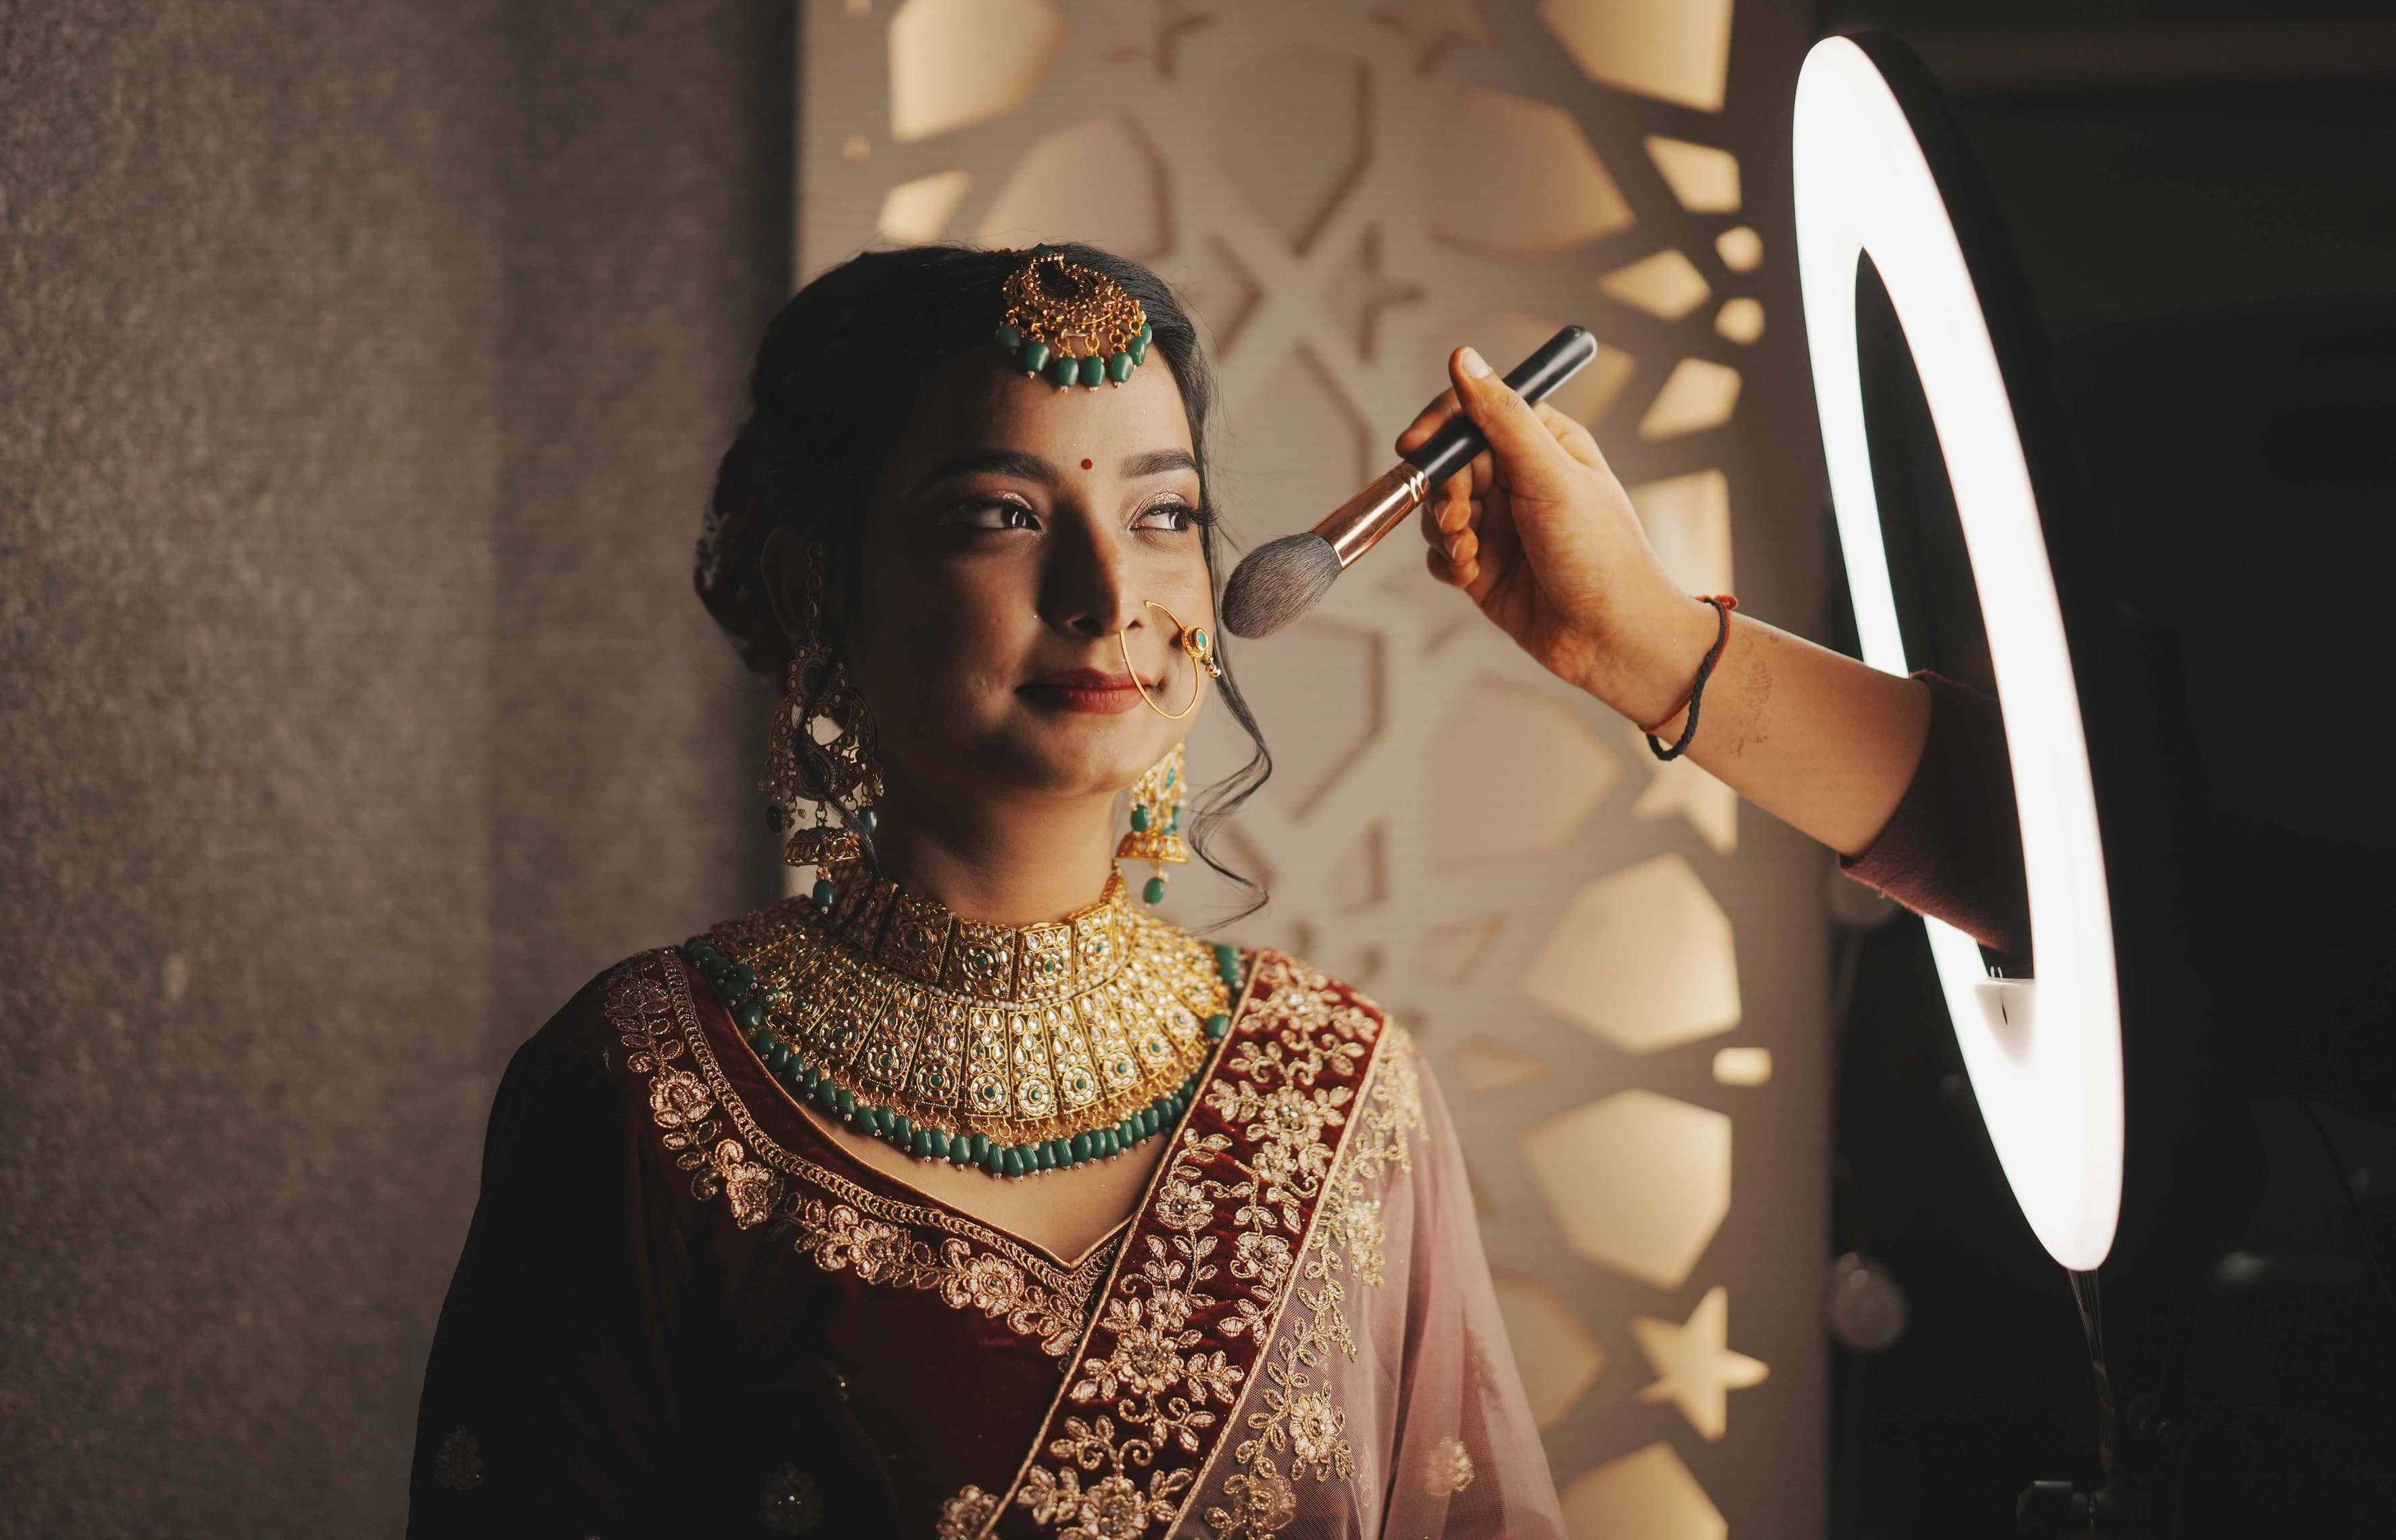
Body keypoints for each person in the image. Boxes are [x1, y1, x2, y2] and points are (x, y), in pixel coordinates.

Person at [404, 243, 2024, 1540]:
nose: (1111, 591)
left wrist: (1659, 633)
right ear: (821, 583)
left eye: (1166, 513)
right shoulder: (647, 1085)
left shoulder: (1334, 1085)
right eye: (1002, 513)